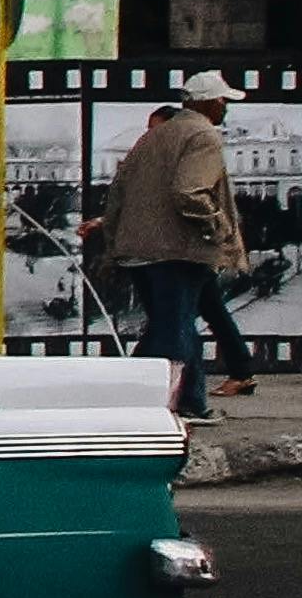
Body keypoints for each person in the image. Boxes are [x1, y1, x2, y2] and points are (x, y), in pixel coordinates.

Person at [99, 70, 246, 420]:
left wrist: (114, 245)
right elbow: (190, 191)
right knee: (175, 330)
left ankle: (191, 402)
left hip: (138, 250)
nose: (225, 106)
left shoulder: (153, 136)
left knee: (173, 325)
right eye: (223, 100)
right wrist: (218, 228)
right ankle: (158, 405)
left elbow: (117, 193)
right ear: (209, 103)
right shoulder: (203, 134)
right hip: (178, 249)